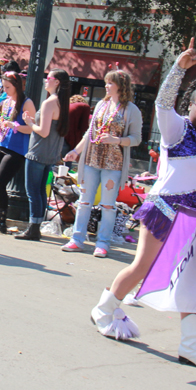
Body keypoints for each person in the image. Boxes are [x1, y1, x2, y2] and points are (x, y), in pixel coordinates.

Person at [91, 39, 196, 371]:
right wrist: (180, 68)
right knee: (143, 266)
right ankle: (104, 308)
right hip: (166, 211)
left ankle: (190, 347)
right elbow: (162, 102)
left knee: (193, 281)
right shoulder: (177, 130)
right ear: (191, 106)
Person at [61, 69, 143, 256]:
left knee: (108, 204)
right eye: (106, 82)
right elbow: (90, 132)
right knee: (84, 201)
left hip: (113, 163)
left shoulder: (131, 110)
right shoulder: (101, 105)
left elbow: (136, 138)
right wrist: (76, 151)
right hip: (92, 159)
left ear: (121, 86)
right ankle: (77, 238)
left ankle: (103, 242)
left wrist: (117, 141)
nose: (106, 86)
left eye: (110, 83)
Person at [16, 69, 71, 241]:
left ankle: (34, 227)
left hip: (38, 152)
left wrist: (30, 123)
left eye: (49, 78)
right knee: (40, 191)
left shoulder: (50, 102)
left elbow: (44, 131)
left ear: (57, 82)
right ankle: (35, 226)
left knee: (33, 191)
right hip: (51, 154)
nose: (45, 81)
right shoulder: (63, 102)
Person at [0, 71, 36, 233]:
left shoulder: (27, 103)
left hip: (17, 149)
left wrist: (16, 126)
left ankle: (2, 222)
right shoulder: (6, 102)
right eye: (3, 87)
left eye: (7, 87)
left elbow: (33, 129)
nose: (4, 90)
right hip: (1, 144)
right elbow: (3, 124)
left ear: (16, 86)